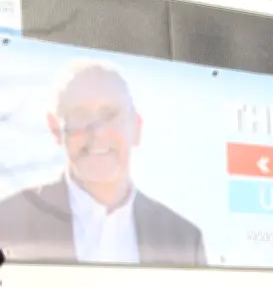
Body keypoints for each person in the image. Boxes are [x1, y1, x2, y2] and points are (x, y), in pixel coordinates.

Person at [0, 59, 206, 266]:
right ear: (55, 129)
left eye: (110, 115)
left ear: (136, 128)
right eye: (80, 115)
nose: (98, 132)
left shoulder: (184, 238)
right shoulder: (9, 219)